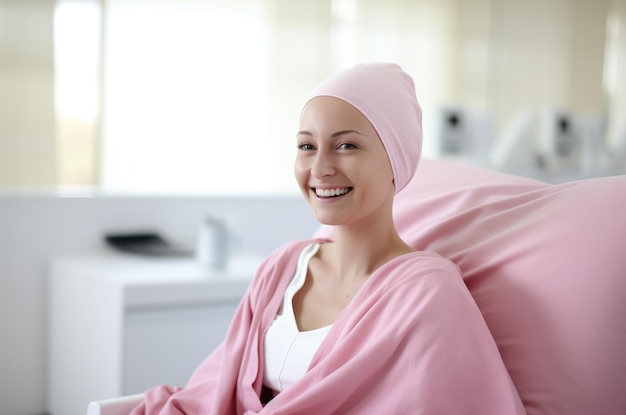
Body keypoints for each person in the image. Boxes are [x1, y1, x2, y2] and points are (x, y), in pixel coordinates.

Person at [129, 63, 525, 415]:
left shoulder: (427, 293)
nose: (320, 168)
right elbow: (212, 392)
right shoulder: (282, 268)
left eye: (346, 146)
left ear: (395, 160)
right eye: (306, 146)